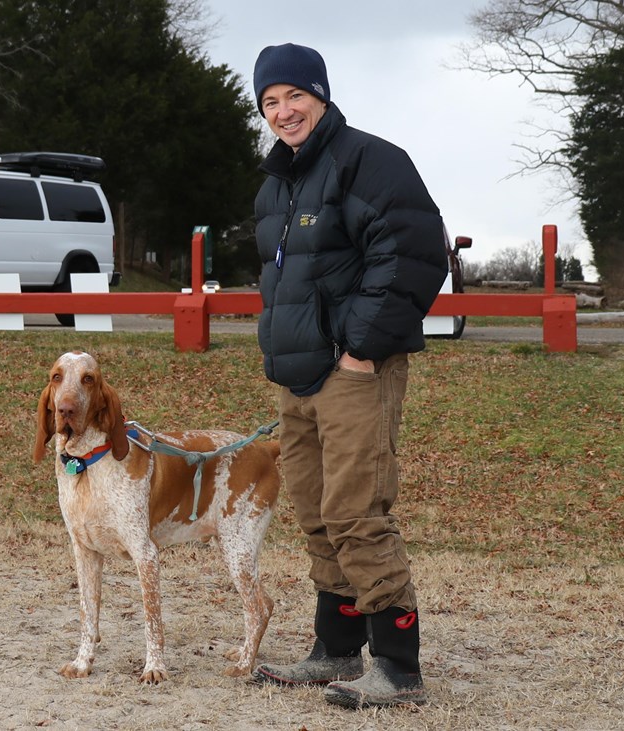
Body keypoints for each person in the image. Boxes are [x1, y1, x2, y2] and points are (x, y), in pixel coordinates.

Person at [247, 43, 448, 709]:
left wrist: (360, 346)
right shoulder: (278, 182)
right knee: (313, 508)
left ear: (321, 95)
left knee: (357, 510)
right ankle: (335, 648)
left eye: (294, 96)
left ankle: (398, 666)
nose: (284, 111)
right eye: (270, 102)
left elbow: (415, 251)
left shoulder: (370, 160)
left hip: (355, 370)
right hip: (297, 376)